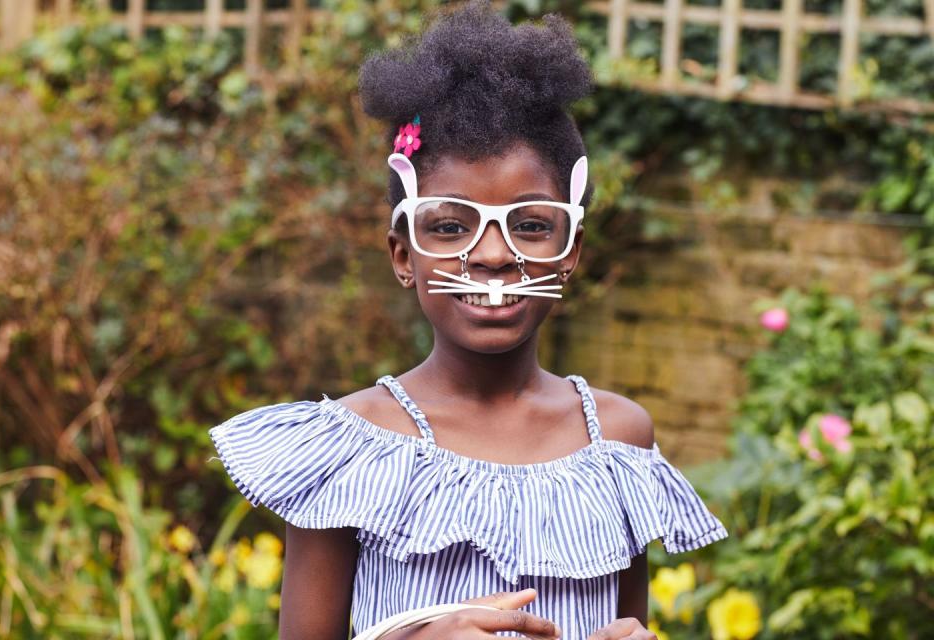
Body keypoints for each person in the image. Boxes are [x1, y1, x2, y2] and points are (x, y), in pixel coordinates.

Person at [209, 3, 727, 638]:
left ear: (572, 251)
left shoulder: (617, 442)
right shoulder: (348, 449)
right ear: (404, 254)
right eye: (450, 227)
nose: (490, 255)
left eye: (531, 225)